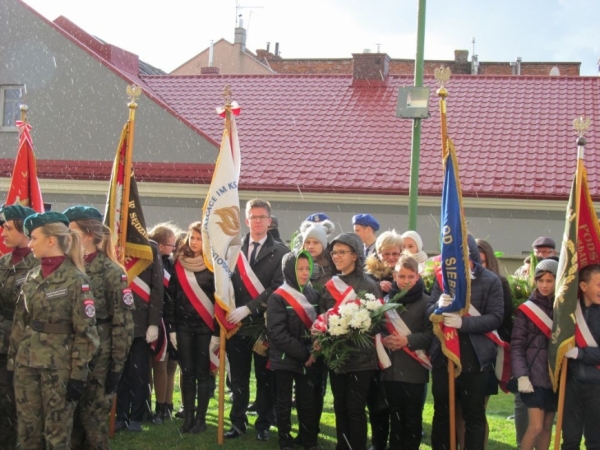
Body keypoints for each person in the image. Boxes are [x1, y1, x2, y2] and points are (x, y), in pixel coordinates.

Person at [7, 212, 100, 449]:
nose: (30, 244)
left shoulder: (76, 279)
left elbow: (86, 333)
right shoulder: (33, 275)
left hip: (59, 366)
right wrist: (12, 364)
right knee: (28, 432)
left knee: (56, 433)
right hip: (27, 363)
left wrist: (78, 374)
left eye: (34, 238)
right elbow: (21, 321)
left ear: (51, 240)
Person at [64, 205, 135, 449]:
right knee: (69, 421)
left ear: (88, 235)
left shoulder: (111, 271)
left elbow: (123, 324)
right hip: (68, 354)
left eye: (71, 231)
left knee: (93, 421)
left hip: (99, 356)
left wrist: (116, 366)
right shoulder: (66, 269)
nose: (66, 237)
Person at [429, 234, 504, 450]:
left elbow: (495, 317)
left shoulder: (491, 280)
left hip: (475, 357)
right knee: (443, 412)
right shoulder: (442, 278)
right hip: (444, 355)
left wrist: (464, 324)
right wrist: (437, 307)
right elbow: (429, 309)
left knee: (474, 415)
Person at [225, 198, 288, 441]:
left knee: (264, 377)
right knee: (238, 377)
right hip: (237, 323)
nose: (258, 221)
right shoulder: (234, 250)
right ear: (246, 220)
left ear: (269, 221)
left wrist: (249, 308)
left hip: (264, 324)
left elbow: (276, 288)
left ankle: (264, 423)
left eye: (262, 217)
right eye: (254, 217)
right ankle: (237, 422)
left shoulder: (281, 252)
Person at [319, 232, 382, 450]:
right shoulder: (329, 284)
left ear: (355, 255)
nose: (336, 256)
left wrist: (354, 327)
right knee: (340, 407)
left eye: (341, 252)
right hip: (337, 359)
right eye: (334, 252)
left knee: (355, 409)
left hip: (362, 360)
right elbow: (322, 318)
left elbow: (377, 323)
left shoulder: (369, 285)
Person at [267, 250, 321, 450]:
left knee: (307, 402)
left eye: (308, 268)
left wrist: (315, 350)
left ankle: (308, 440)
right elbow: (277, 333)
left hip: (309, 357)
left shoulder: (313, 293)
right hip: (285, 358)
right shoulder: (277, 297)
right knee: (283, 402)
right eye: (299, 269)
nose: (305, 273)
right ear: (289, 270)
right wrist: (304, 354)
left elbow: (320, 325)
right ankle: (285, 439)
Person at [166, 222, 216, 434]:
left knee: (203, 373)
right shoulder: (178, 263)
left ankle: (201, 419)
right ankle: (188, 417)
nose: (195, 242)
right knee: (187, 372)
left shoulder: (214, 265)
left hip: (206, 328)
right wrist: (172, 328)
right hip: (183, 326)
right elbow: (171, 298)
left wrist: (217, 333)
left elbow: (219, 301)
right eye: (192, 238)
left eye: (199, 239)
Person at [381, 255, 432, 450]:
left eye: (411, 276)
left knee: (412, 417)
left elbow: (431, 335)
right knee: (395, 415)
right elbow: (377, 329)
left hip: (414, 370)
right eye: (402, 276)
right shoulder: (385, 302)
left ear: (418, 277)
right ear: (394, 276)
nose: (406, 281)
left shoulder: (427, 302)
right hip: (391, 369)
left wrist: (407, 340)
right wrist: (384, 340)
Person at [0, 205, 38, 449]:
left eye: (7, 227)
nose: (2, 232)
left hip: (27, 343)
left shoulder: (39, 262)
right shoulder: (3, 261)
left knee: (21, 403)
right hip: (2, 341)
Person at [116, 238, 164, 432]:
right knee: (119, 372)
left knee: (139, 372)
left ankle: (137, 415)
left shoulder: (149, 247)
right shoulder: (113, 241)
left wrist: (153, 323)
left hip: (141, 321)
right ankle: (120, 415)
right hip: (117, 320)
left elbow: (157, 287)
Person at [510, 258, 558, 450]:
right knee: (536, 427)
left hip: (553, 376)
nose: (544, 285)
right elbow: (517, 346)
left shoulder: (562, 309)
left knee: (547, 427)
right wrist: (521, 374)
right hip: (533, 377)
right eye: (541, 280)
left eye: (549, 281)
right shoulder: (527, 310)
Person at [364, 230, 404, 450]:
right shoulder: (368, 277)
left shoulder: (408, 274)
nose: (390, 258)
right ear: (377, 254)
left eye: (395, 253)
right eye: (385, 253)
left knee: (397, 401)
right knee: (376, 401)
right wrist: (376, 290)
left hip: (401, 349)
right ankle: (378, 442)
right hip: (375, 346)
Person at [474, 238, 514, 448]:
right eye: (474, 260)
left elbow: (504, 321)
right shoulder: (463, 282)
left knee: (478, 412)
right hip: (462, 351)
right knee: (459, 411)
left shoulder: (500, 283)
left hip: (487, 354)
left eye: (482, 261)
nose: (478, 266)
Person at [562, 264, 600, 449]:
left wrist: (580, 353)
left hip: (597, 385)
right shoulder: (568, 311)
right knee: (570, 439)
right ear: (583, 287)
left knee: (595, 439)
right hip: (571, 383)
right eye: (599, 285)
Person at [148, 222, 180, 423]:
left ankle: (166, 405)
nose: (174, 249)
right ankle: (155, 406)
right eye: (171, 245)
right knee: (158, 363)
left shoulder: (169, 263)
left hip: (170, 319)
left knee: (170, 363)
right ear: (160, 246)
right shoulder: (153, 262)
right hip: (156, 319)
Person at [302, 222, 334, 293]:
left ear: (323, 245)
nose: (311, 246)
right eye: (307, 242)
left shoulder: (334, 263)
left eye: (316, 242)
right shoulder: (294, 262)